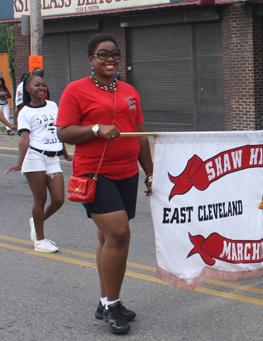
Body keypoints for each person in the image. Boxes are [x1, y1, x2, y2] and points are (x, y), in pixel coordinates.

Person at [56, 33, 153, 335]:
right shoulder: (76, 90)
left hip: (127, 173)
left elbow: (139, 135)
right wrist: (96, 129)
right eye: (103, 54)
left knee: (107, 238)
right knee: (120, 234)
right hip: (94, 174)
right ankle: (113, 304)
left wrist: (149, 172)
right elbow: (63, 133)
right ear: (91, 59)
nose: (110, 59)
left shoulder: (129, 91)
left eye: (115, 54)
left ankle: (104, 300)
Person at [5, 75, 72, 253]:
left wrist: (65, 154)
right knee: (40, 198)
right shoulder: (25, 112)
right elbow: (24, 138)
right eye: (37, 85)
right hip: (34, 156)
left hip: (52, 158)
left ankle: (36, 221)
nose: (41, 88)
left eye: (43, 85)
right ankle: (40, 240)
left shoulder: (52, 105)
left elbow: (59, 131)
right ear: (28, 88)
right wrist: (20, 163)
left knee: (58, 199)